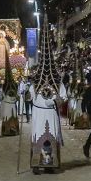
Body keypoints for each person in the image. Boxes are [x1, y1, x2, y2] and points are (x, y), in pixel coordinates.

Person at [29, 27, 64, 173]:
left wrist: (56, 101)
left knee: (51, 137)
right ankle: (36, 164)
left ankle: (51, 164)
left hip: (51, 113)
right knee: (38, 137)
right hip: (39, 114)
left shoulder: (58, 82)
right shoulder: (35, 83)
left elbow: (63, 97)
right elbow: (31, 97)